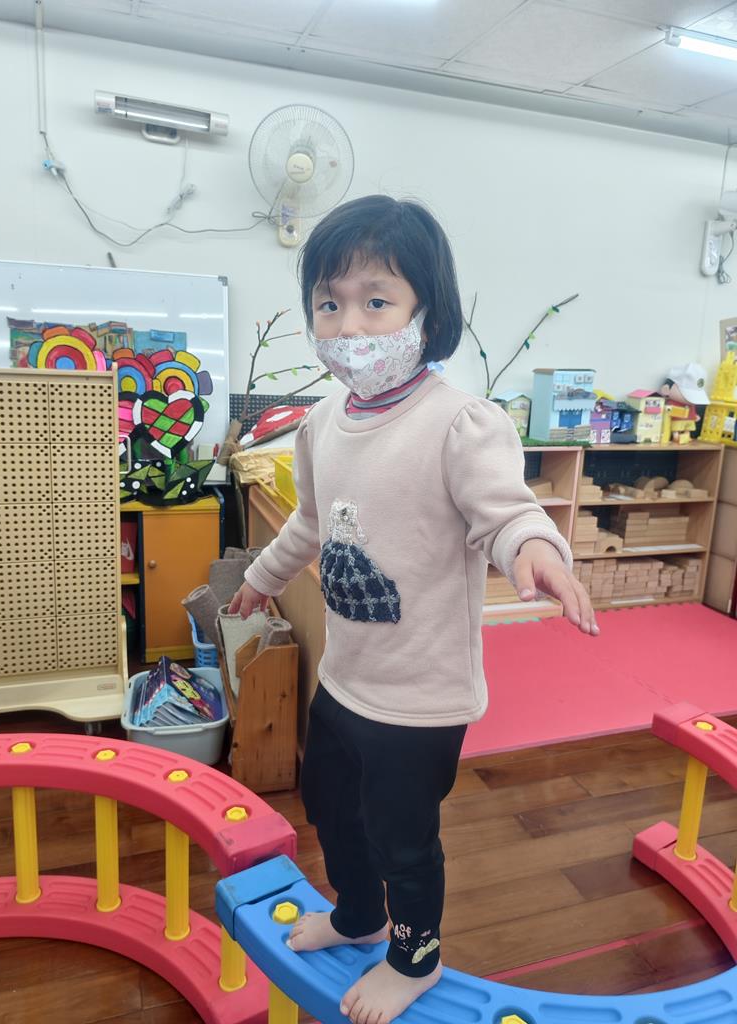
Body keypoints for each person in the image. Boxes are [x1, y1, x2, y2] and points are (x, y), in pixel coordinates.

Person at [229, 195, 598, 1024]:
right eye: (330, 304)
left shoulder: (460, 424)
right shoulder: (321, 424)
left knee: (403, 838)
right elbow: (309, 524)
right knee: (330, 808)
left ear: (426, 312)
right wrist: (260, 576)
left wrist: (535, 551)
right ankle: (360, 915)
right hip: (346, 679)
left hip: (422, 697)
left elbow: (507, 512)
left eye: (376, 301)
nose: (350, 325)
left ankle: (415, 956)